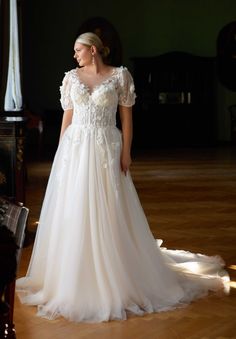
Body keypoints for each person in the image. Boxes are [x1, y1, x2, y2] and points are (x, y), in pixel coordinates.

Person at [16, 32, 229, 323]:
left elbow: (127, 119)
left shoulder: (120, 77)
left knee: (110, 209)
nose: (74, 55)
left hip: (106, 147)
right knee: (74, 208)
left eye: (78, 50)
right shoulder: (71, 78)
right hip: (76, 150)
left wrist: (126, 153)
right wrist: (59, 154)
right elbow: (68, 116)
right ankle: (74, 274)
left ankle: (116, 272)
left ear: (93, 50)